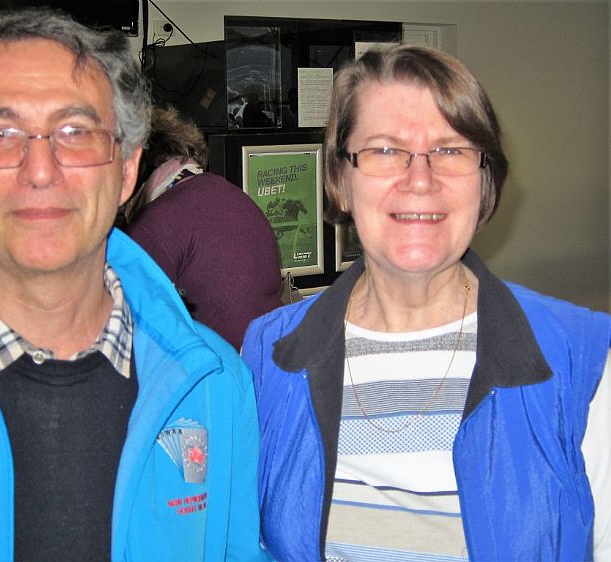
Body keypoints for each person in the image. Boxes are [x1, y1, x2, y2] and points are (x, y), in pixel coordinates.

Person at [0, 9, 266, 561]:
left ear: (127, 169)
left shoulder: (216, 385)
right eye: (0, 133)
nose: (40, 170)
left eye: (76, 132)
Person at [241, 45, 610, 561]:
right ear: (340, 180)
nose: (420, 179)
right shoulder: (266, 357)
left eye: (450, 150)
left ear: (484, 180)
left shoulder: (582, 362)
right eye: (385, 150)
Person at [124, 106, 283, 349]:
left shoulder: (154, 223)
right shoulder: (238, 198)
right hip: (269, 358)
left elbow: (130, 328)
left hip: (218, 367)